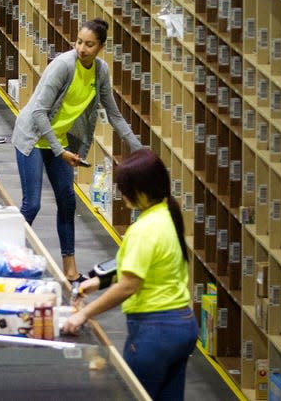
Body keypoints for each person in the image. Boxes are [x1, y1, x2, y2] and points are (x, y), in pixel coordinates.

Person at [11, 18, 143, 281]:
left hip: (59, 141)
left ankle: (70, 271)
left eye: (89, 45)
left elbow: (114, 115)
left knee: (67, 202)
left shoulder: (100, 71)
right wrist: (60, 151)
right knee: (32, 204)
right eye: (79, 42)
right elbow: (38, 112)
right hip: (33, 137)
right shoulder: (63, 65)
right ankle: (6, 260)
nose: (82, 48)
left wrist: (140, 150)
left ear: (101, 47)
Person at [61, 150, 197, 401]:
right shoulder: (166, 214)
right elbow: (140, 267)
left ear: (142, 190)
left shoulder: (144, 230)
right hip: (183, 325)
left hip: (155, 332)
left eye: (126, 188)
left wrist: (83, 315)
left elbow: (128, 286)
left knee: (129, 395)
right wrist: (94, 283)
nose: (122, 194)